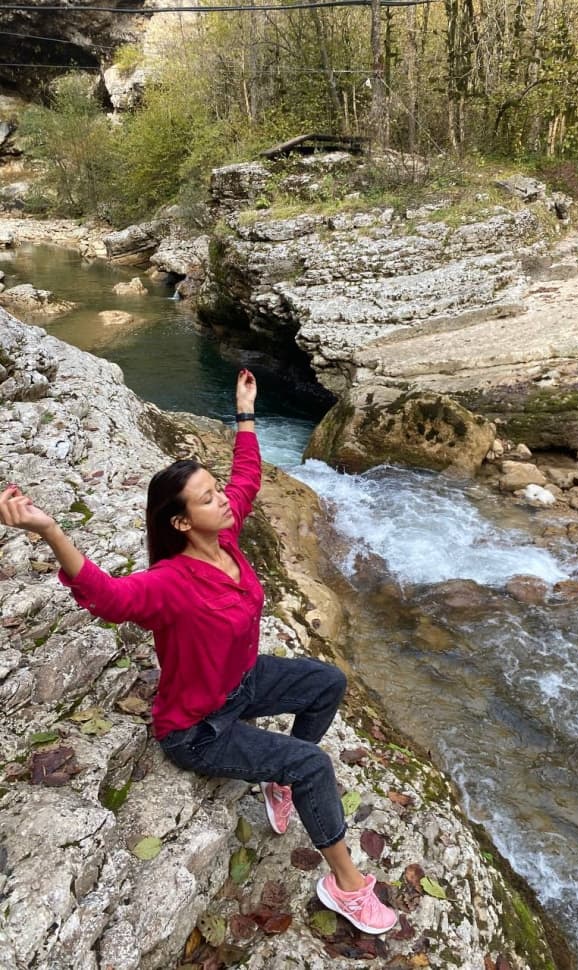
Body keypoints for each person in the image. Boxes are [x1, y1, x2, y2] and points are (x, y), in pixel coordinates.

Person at [0, 369, 397, 936]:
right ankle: (346, 886)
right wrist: (48, 529)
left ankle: (280, 781)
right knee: (313, 763)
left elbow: (248, 477)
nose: (223, 501)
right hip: (197, 726)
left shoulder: (227, 535)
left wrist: (245, 413)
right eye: (208, 499)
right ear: (182, 521)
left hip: (241, 683)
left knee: (327, 682)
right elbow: (108, 598)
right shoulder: (169, 582)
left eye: (216, 491)